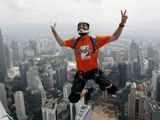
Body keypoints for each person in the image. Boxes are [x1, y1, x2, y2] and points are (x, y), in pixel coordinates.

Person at [50, 10, 128, 103]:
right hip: (81, 73)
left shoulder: (94, 40)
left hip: (94, 71)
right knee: (73, 98)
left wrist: (122, 24)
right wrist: (54, 32)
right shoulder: (75, 41)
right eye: (80, 26)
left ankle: (101, 86)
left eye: (84, 26)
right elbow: (61, 43)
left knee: (113, 89)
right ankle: (88, 91)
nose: (82, 27)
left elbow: (115, 37)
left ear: (88, 28)